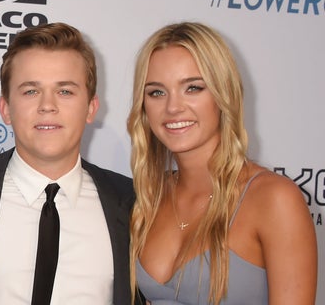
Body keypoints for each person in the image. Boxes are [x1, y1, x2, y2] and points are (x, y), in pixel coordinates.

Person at [0, 22, 137, 305]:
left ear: (91, 108)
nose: (48, 105)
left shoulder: (132, 202)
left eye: (65, 91)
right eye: (31, 91)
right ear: (6, 109)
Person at [128, 21, 317, 304]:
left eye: (193, 88)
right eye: (156, 92)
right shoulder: (150, 196)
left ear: (223, 93)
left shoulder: (273, 198)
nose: (173, 107)